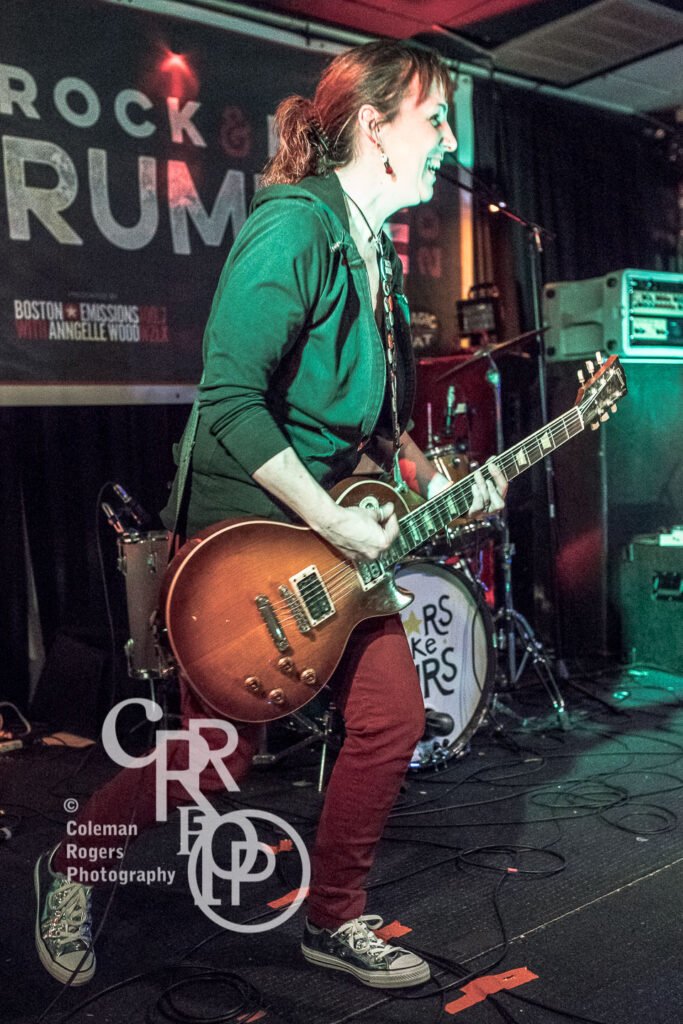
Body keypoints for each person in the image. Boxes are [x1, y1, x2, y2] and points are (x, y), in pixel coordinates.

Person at [34, 40, 507, 991]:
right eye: (434, 119)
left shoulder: (376, 259)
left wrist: (432, 482)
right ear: (375, 127)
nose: (449, 140)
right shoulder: (296, 226)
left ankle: (333, 921)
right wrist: (333, 519)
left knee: (390, 718)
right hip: (244, 533)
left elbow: (373, 429)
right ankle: (74, 863)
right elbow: (230, 398)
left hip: (328, 532)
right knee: (215, 757)